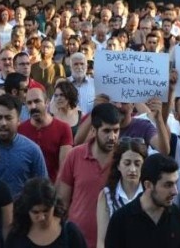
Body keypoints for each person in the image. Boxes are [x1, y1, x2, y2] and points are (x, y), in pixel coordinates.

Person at [58, 103, 121, 248]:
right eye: (106, 131)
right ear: (93, 130)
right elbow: (62, 202)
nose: (112, 137)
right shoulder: (75, 155)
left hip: (113, 240)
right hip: (77, 241)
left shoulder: (123, 159)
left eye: (116, 131)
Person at [105, 154, 180, 248]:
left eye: (176, 183)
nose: (175, 191)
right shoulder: (121, 220)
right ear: (148, 185)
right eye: (168, 185)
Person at [0, 94, 48, 197]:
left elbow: (43, 189)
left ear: (18, 120)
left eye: (8, 118)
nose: (3, 123)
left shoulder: (33, 150)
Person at [5, 177, 87, 248]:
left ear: (54, 206)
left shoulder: (70, 233)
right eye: (35, 212)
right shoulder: (17, 235)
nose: (42, 217)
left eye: (46, 211)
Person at [96, 137, 147, 248]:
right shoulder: (107, 195)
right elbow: (101, 240)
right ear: (118, 165)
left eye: (137, 164)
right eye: (127, 163)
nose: (132, 169)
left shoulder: (150, 194)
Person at [18, 88, 73, 183]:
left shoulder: (63, 128)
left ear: (47, 102)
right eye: (29, 103)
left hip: (53, 189)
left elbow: (64, 169)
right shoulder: (20, 130)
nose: (33, 106)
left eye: (37, 101)